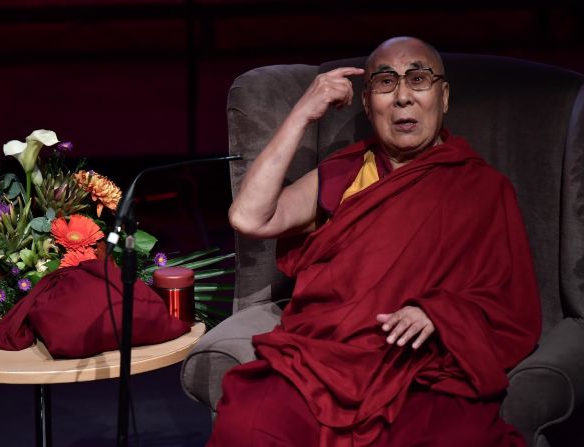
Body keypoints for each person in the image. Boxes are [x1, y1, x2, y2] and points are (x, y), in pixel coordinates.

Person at [209, 36, 542, 446]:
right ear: (367, 104)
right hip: (323, 360)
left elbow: (509, 306)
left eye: (418, 79)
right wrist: (301, 115)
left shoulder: (483, 189)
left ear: (444, 96)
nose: (403, 97)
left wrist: (440, 314)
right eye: (385, 82)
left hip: (421, 368)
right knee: (250, 423)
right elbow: (248, 217)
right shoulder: (347, 173)